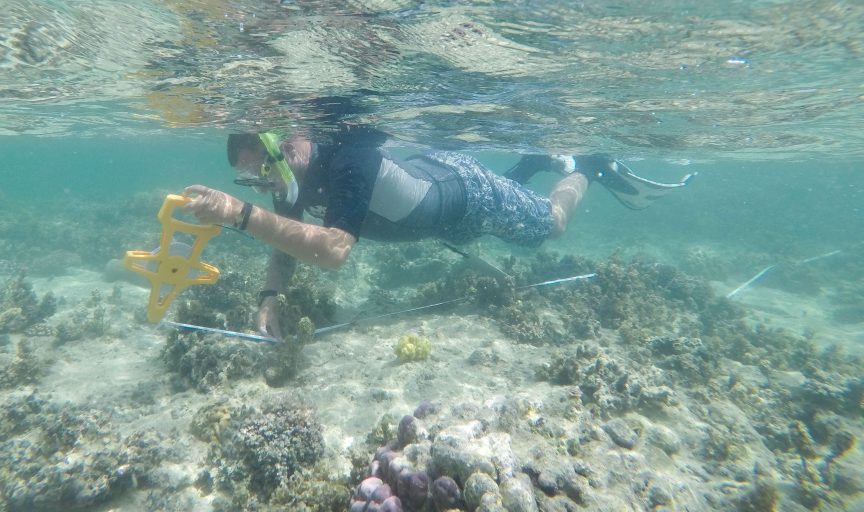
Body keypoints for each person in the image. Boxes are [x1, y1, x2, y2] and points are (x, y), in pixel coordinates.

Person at [180, 131, 692, 338]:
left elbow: (333, 252)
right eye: (249, 181)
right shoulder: (288, 180)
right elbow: (284, 241)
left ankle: (588, 166)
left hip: (464, 191)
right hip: (439, 196)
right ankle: (531, 164)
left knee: (549, 226)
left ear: (286, 146)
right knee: (482, 223)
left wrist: (238, 212)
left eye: (261, 172)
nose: (262, 185)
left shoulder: (346, 161)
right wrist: (270, 295)